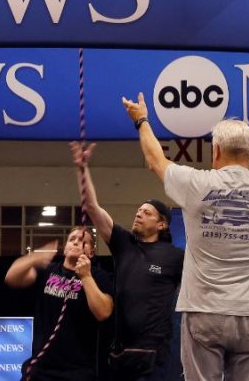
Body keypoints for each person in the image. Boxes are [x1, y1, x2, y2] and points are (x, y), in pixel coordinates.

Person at [121, 91, 249, 381]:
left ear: (216, 150)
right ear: (248, 152)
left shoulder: (197, 184)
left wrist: (141, 120)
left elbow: (156, 160)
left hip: (204, 312)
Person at [71, 142, 185, 381]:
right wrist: (83, 169)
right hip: (120, 356)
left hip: (155, 359)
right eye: (138, 210)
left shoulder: (175, 257)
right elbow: (92, 207)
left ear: (162, 224)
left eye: (147, 212)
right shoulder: (124, 244)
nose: (138, 214)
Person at [4, 226, 113, 381]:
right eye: (72, 239)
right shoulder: (48, 272)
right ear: (65, 248)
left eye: (83, 241)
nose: (76, 243)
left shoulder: (99, 276)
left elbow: (104, 312)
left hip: (78, 372)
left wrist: (86, 277)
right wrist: (35, 257)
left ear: (91, 252)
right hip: (40, 369)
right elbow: (12, 278)